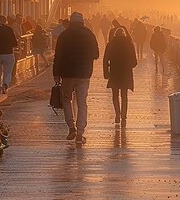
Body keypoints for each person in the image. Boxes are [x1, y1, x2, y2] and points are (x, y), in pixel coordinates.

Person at [53, 12, 99, 144]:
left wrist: (56, 74)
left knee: (66, 100)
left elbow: (58, 56)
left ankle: (71, 127)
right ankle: (80, 133)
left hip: (67, 74)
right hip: (84, 74)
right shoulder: (89, 34)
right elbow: (96, 54)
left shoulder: (64, 35)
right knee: (82, 102)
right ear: (82, 21)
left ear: (71, 22)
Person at [103, 27, 138, 127]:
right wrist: (128, 66)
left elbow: (105, 60)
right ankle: (123, 117)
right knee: (124, 95)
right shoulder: (129, 45)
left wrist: (106, 73)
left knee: (115, 95)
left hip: (114, 73)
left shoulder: (110, 45)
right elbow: (134, 62)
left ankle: (117, 115)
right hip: (125, 74)